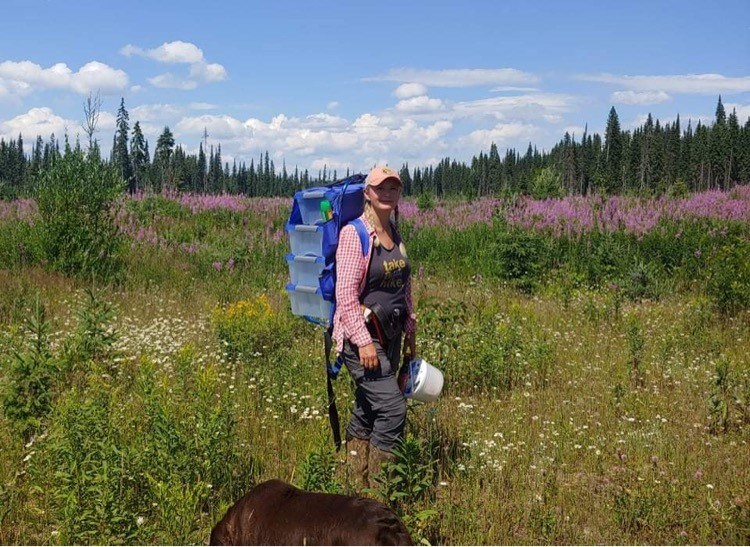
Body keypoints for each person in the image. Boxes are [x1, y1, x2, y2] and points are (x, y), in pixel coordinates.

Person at [331, 166, 417, 490]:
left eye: (394, 188)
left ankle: (350, 485)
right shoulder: (355, 235)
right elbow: (346, 297)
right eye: (381, 188)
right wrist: (364, 343)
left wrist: (410, 334)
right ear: (367, 192)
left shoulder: (394, 232)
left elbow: (404, 288)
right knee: (393, 409)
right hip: (361, 339)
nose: (387, 193)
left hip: (392, 335)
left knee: (368, 408)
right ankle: (378, 501)